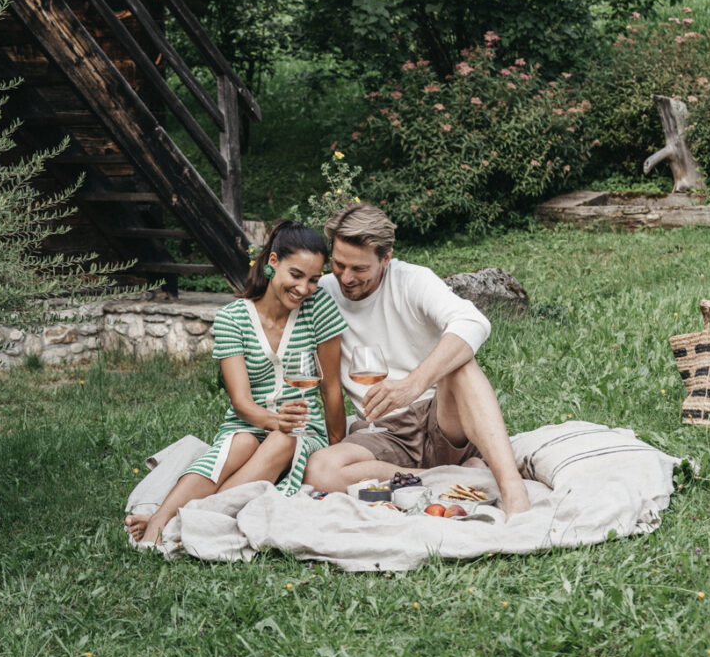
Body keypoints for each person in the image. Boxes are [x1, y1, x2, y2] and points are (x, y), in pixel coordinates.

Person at [125, 220, 347, 547]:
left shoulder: (319, 309)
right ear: (273, 263)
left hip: (303, 430)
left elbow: (331, 389)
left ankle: (179, 520)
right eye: (296, 275)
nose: (305, 289)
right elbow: (241, 402)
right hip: (246, 424)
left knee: (282, 440)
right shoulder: (233, 318)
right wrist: (273, 420)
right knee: (242, 443)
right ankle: (161, 519)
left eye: (314, 279)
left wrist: (335, 449)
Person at [304, 202, 532, 516]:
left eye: (359, 269)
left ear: (386, 258)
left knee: (461, 364)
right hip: (383, 432)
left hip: (441, 420)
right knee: (319, 471)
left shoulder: (412, 280)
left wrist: (414, 384)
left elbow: (474, 322)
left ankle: (512, 490)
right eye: (339, 265)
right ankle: (450, 478)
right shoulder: (323, 292)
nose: (346, 277)